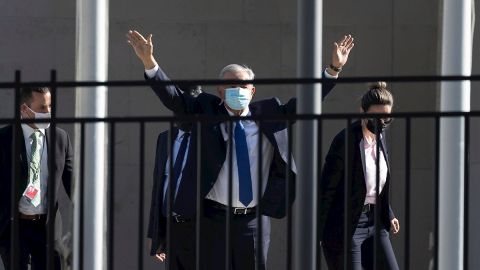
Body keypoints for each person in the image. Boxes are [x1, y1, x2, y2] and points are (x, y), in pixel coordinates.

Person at [127, 29, 354, 269]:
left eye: (242, 85)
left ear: (252, 90)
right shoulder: (205, 112)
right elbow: (173, 97)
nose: (237, 90)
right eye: (229, 85)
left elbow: (306, 102)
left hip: (252, 221)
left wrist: (333, 70)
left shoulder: (271, 114)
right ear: (220, 92)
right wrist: (149, 62)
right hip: (211, 218)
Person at [318, 82, 400, 270]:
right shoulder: (346, 141)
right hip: (349, 224)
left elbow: (376, 183)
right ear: (363, 111)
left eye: (385, 119)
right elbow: (327, 189)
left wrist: (389, 213)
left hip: (376, 220)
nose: (381, 123)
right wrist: (322, 232)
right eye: (376, 117)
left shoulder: (380, 137)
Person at [0, 87, 74, 270]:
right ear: (24, 109)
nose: (48, 112)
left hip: (47, 227)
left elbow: (73, 183)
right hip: (14, 227)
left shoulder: (60, 138)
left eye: (50, 106)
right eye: (42, 108)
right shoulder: (4, 138)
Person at [147, 86, 203, 270]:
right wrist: (155, 235)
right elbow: (159, 186)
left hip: (201, 229)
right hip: (172, 229)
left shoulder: (209, 140)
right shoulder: (165, 139)